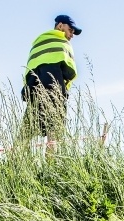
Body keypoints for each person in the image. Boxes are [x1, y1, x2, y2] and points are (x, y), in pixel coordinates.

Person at [22, 14, 82, 153]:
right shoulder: (62, 44)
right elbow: (70, 73)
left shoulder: (37, 44)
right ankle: (50, 168)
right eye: (71, 30)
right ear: (60, 26)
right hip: (54, 95)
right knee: (53, 135)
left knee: (24, 135)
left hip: (34, 95)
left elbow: (29, 71)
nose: (72, 34)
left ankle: (13, 166)